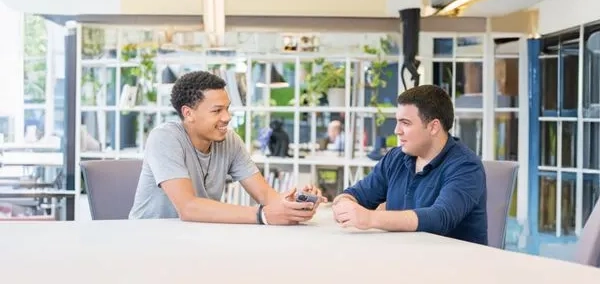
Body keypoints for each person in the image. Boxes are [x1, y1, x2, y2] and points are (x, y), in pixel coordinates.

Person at [129, 70, 326, 225]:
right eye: (217, 111)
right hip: (150, 238)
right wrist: (262, 215)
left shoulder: (229, 140)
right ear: (188, 113)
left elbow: (266, 196)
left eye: (227, 108)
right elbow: (188, 208)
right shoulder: (164, 138)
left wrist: (296, 202)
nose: (227, 117)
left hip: (194, 237)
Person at [331, 85, 488, 245]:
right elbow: (354, 194)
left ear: (433, 127)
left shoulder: (466, 166)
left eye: (405, 123)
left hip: (456, 264)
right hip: (403, 257)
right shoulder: (396, 158)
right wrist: (343, 204)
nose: (397, 130)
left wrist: (370, 218)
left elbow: (440, 218)